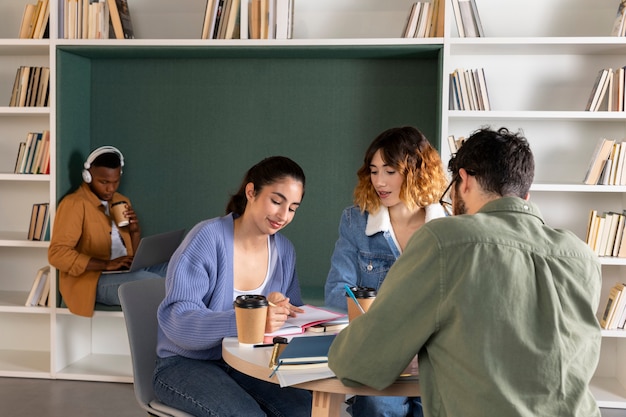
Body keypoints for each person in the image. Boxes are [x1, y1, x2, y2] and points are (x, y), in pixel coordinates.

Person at [328, 127, 602, 417]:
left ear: (464, 180)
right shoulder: (581, 257)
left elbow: (356, 362)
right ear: (525, 193)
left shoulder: (444, 240)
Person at [153, 156, 312, 417]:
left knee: (305, 410)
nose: (283, 216)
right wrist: (253, 319)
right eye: (276, 201)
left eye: (293, 208)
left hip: (247, 363)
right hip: (185, 364)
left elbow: (295, 314)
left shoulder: (284, 250)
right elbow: (177, 322)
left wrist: (283, 311)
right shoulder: (207, 238)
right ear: (251, 192)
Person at [324, 126, 448, 417]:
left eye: (390, 171)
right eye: (373, 170)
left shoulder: (449, 227)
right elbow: (335, 293)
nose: (379, 181)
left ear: (417, 171)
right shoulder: (355, 221)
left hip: (434, 362)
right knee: (376, 405)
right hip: (377, 359)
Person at [48, 146, 168, 317]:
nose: (110, 189)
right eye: (104, 182)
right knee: (154, 284)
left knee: (178, 269)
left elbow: (131, 254)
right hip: (93, 280)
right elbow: (57, 254)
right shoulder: (74, 204)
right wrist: (106, 264)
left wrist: (134, 232)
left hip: (124, 272)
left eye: (115, 181)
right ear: (87, 176)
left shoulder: (121, 200)